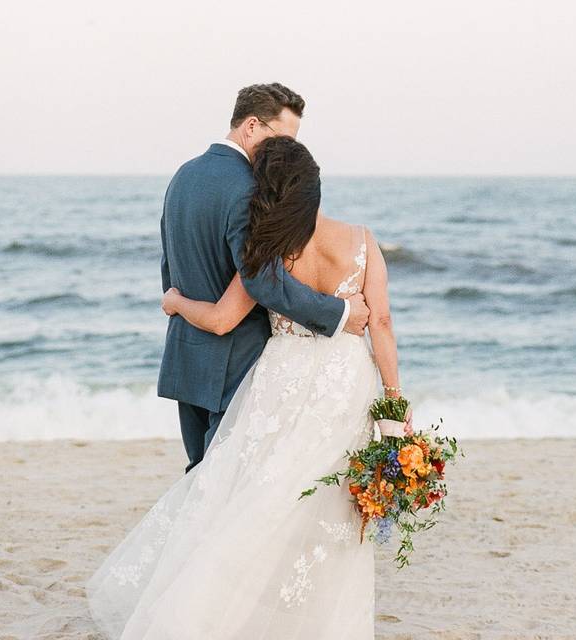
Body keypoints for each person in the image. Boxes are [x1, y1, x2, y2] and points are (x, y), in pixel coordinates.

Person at [86, 134, 406, 639]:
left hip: (279, 381)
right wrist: (394, 404)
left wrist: (174, 302)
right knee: (337, 507)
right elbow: (382, 323)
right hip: (346, 387)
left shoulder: (269, 252)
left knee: (255, 496)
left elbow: (218, 319)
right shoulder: (362, 241)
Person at [154, 83, 371, 474]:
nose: (286, 154)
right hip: (234, 362)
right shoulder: (249, 190)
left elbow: (171, 270)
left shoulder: (182, 177)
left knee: (197, 481)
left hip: (187, 359)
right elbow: (263, 280)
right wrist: (338, 313)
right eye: (282, 139)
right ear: (251, 127)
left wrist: (182, 306)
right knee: (223, 486)